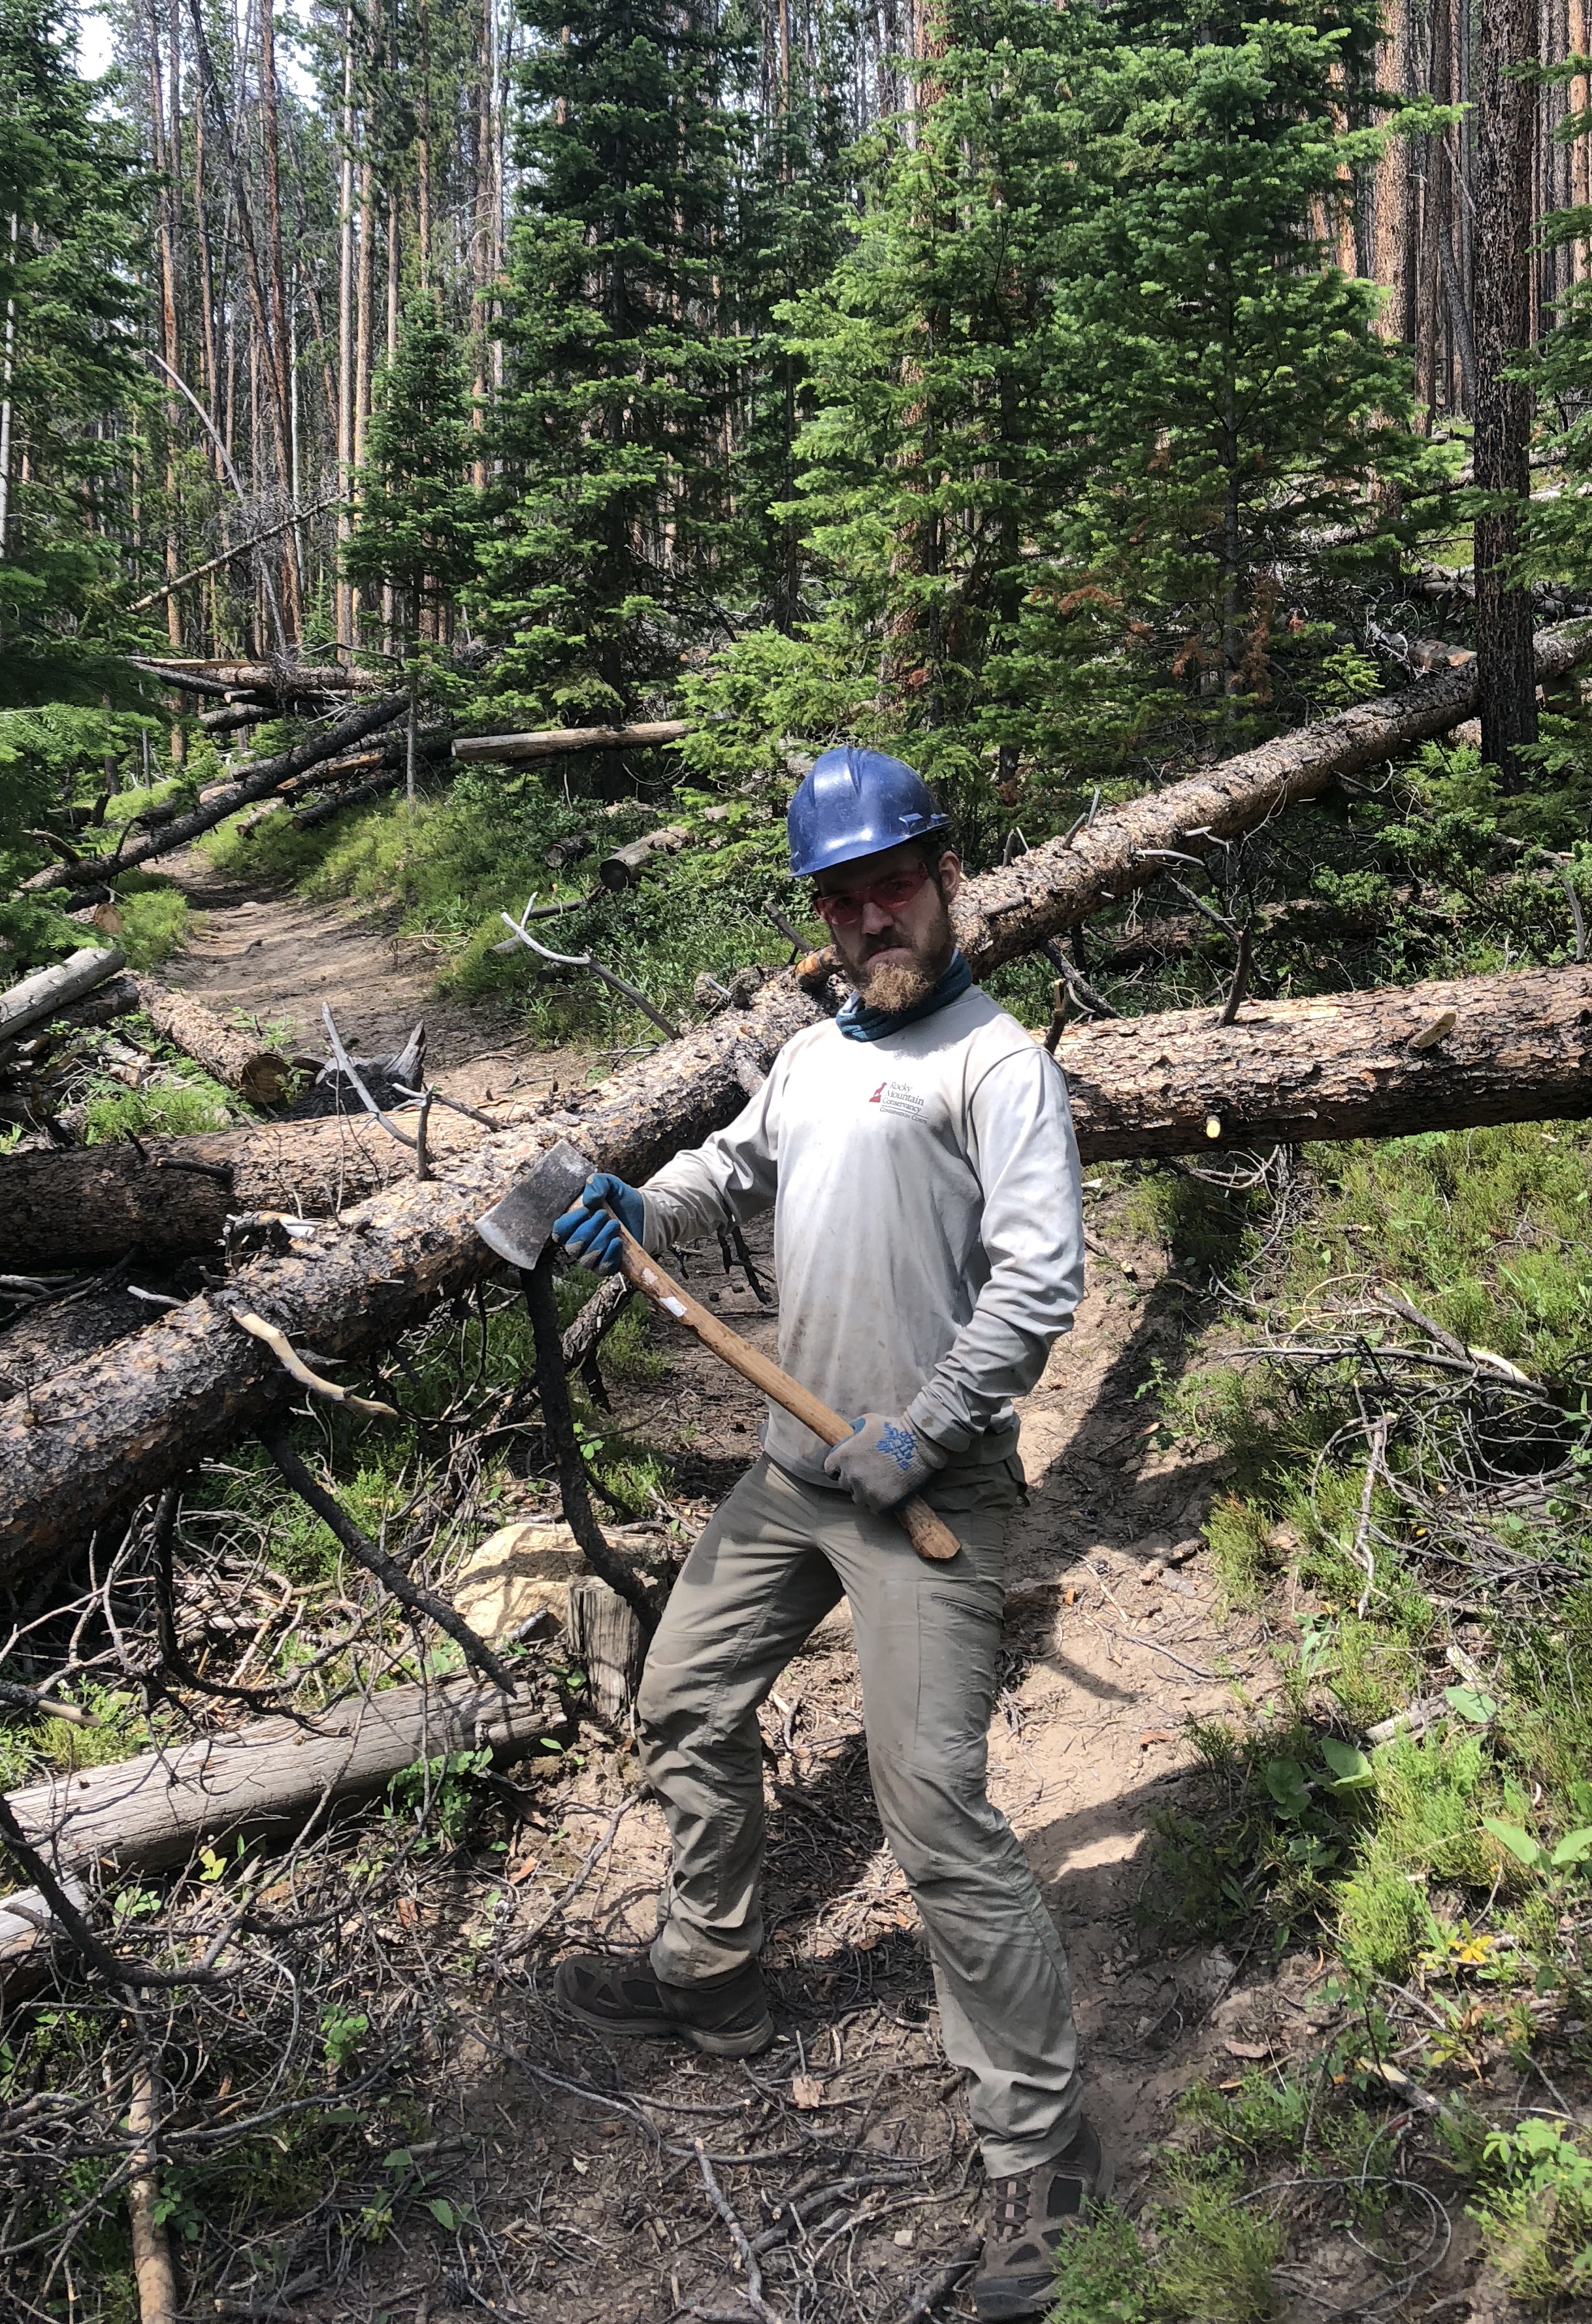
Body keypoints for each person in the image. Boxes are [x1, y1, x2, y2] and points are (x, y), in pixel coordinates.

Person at [547, 745, 1101, 2321]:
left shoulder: (997, 1066)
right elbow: (739, 1168)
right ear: (824, 914)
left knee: (933, 1818)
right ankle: (711, 1975)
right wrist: (635, 1204)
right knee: (682, 1699)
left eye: (894, 885)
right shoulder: (810, 1055)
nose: (874, 918)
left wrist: (922, 1428)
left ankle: (1049, 2166)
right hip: (795, 1470)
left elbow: (1039, 1285)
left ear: (944, 873)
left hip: (930, 1490)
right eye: (845, 899)